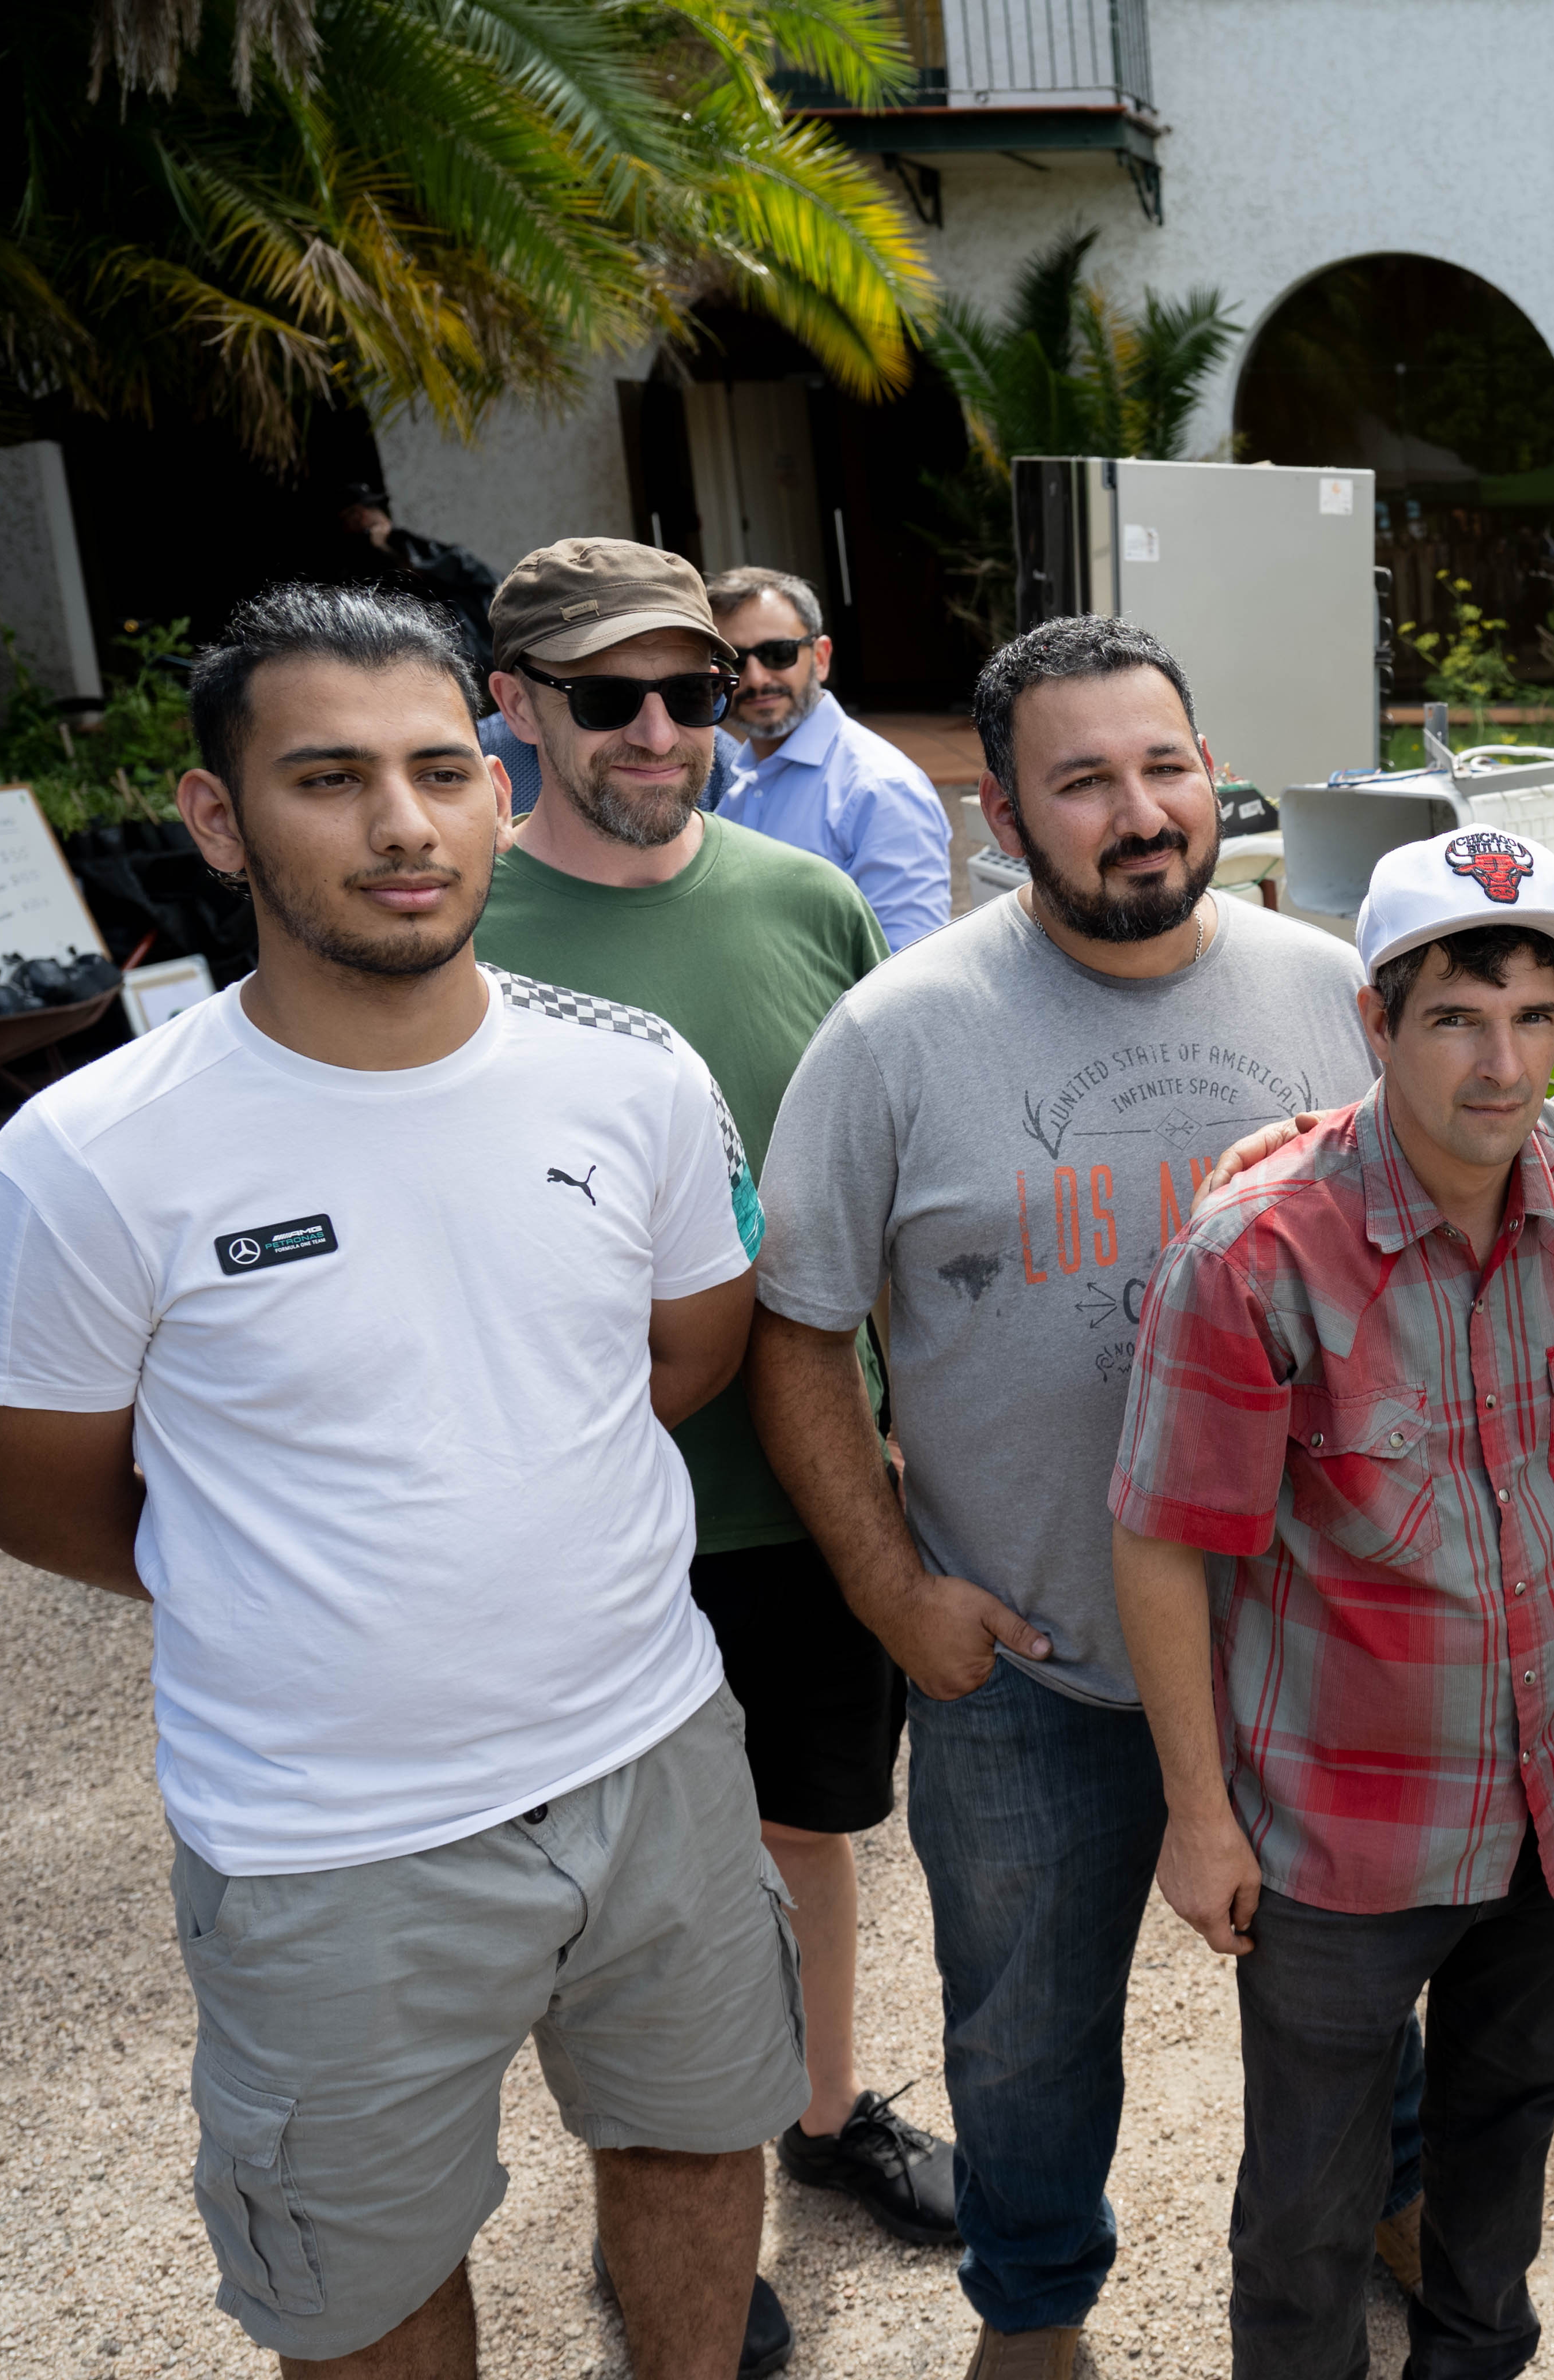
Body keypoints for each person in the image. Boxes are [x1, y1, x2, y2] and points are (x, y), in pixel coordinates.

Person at [0, 582, 801, 2378]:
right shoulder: (82, 1164)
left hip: (656, 1758)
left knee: (701, 2142)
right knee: (366, 2274)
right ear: (215, 816)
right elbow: (40, 1500)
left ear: (496, 782)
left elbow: (681, 1358)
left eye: (438, 768)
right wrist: (308, 1586)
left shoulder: (636, 1081)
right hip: (327, 1840)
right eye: (329, 776)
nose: (403, 824)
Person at [748, 613, 1373, 2380]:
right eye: (1083, 780)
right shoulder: (899, 1036)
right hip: (1030, 1656)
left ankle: (1384, 2213)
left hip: (1306, 1658)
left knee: (1349, 2016)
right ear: (1002, 815)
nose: (1140, 811)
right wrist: (892, 1592)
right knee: (1022, 2044)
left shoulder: (1333, 992)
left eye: (1164, 765)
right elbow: (797, 1334)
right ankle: (1034, 2314)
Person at [1110, 829, 1554, 2380]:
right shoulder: (1255, 1254)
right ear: (1376, 1021)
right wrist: (1199, 1817)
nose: (1505, 1064)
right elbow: (1161, 1539)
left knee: (1511, 2128)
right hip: (1346, 1829)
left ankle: (1477, 2357)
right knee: (1309, 2198)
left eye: (1536, 1016)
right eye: (1457, 1018)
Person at [473, 538, 958, 2258]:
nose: (666, 726)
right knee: (621, 1882)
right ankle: (671, 2228)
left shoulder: (801, 900)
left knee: (811, 1821)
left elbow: (878, 1186)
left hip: (805, 1482)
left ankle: (825, 2112)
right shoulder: (455, 924)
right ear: (519, 703)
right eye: (612, 696)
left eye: (695, 689)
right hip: (592, 1503)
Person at [707, 564, 957, 951]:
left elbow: (910, 968)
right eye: (736, 661)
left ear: (821, 658)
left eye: (778, 653)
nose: (756, 679)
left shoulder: (881, 790)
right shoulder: (741, 783)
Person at [330, 479, 497, 666]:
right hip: (441, 653)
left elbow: (439, 570)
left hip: (466, 647)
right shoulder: (358, 561)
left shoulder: (401, 544)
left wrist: (385, 548)